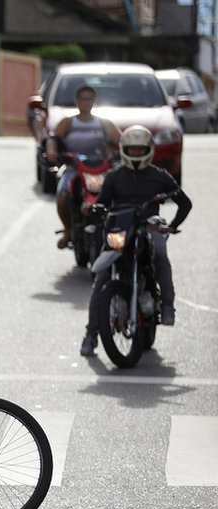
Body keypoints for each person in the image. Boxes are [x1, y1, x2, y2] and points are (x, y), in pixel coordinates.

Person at [79, 125, 192, 356]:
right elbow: (102, 201)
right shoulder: (114, 176)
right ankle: (91, 334)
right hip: (120, 228)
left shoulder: (160, 176)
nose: (137, 154)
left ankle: (168, 306)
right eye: (133, 150)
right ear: (123, 150)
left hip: (149, 226)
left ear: (149, 151)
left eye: (141, 150)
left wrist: (172, 226)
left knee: (159, 253)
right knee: (100, 278)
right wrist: (92, 208)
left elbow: (184, 203)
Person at [46, 85, 121, 249]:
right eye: (83, 98)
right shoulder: (67, 122)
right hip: (74, 168)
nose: (86, 102)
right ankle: (67, 231)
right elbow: (53, 138)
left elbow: (122, 142)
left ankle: (114, 228)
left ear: (94, 101)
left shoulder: (104, 123)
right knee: (63, 192)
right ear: (77, 101)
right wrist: (52, 150)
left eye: (89, 99)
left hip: (100, 168)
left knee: (116, 191)